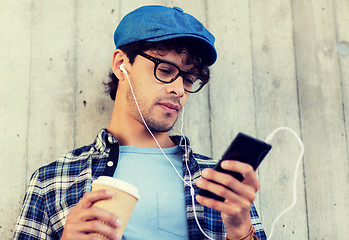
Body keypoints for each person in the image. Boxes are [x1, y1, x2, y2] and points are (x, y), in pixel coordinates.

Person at [13, 5, 267, 240]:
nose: (179, 90)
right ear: (122, 64)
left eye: (188, 79)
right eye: (166, 70)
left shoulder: (220, 181)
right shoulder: (52, 180)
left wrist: (241, 230)